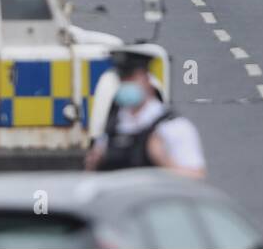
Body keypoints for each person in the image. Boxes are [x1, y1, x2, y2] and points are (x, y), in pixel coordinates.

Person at [85, 49, 206, 178]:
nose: (127, 84)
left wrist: (161, 160)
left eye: (133, 78)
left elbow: (196, 176)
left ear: (147, 80)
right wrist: (94, 162)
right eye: (123, 79)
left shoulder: (173, 126)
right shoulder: (114, 126)